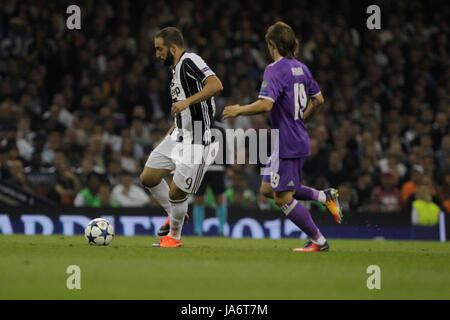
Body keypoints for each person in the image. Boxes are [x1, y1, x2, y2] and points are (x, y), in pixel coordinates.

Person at [223, 22, 342, 252]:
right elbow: (319, 100)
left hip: (288, 142)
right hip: (289, 140)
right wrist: (302, 120)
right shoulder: (302, 68)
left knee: (281, 198)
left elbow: (266, 104)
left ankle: (319, 241)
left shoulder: (274, 69)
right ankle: (324, 196)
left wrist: (239, 109)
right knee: (267, 190)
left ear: (272, 44)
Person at [139, 27, 223, 247]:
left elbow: (216, 85)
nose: (156, 54)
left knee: (177, 191)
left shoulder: (189, 60)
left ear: (173, 48)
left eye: (159, 49)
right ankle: (176, 213)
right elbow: (184, 110)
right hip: (178, 135)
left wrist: (187, 101)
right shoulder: (176, 70)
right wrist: (170, 132)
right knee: (148, 177)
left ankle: (174, 237)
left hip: (198, 139)